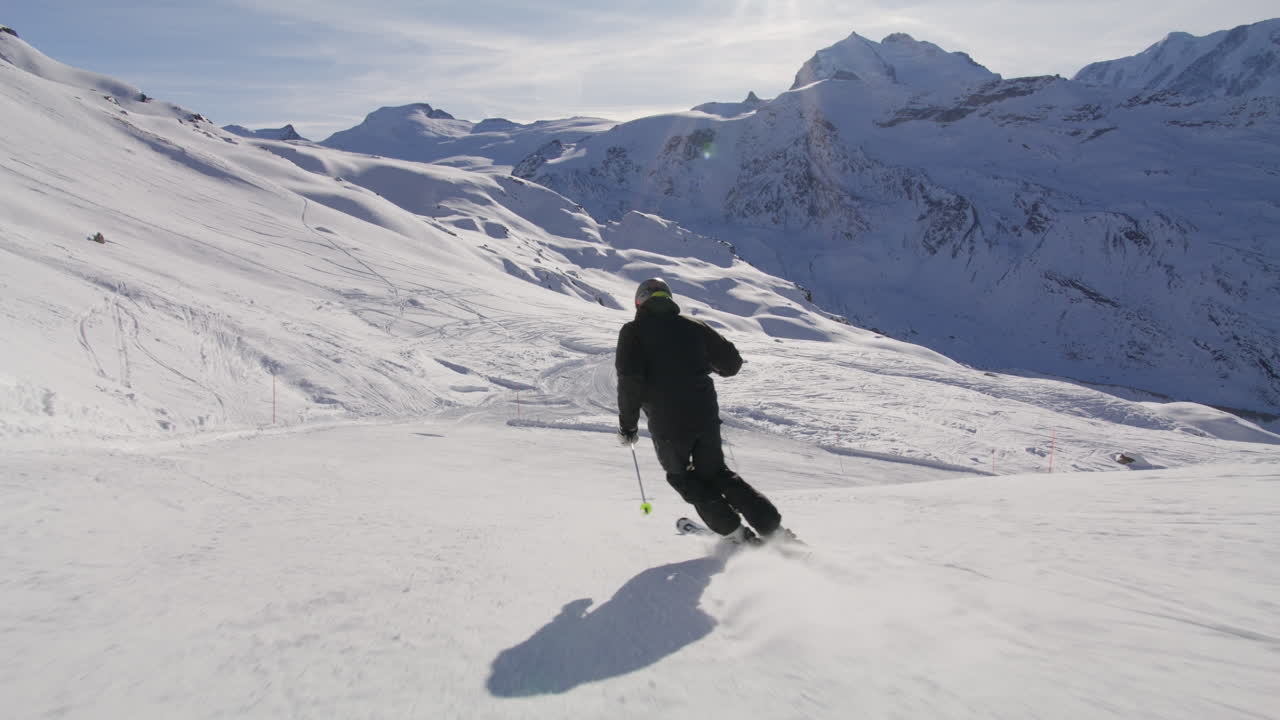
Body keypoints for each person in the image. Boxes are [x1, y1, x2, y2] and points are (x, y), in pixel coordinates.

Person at [615, 278, 786, 543]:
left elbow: (629, 381)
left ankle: (736, 534)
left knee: (682, 477)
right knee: (716, 472)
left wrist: (628, 425)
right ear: (669, 299)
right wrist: (702, 363)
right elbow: (731, 364)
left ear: (640, 303)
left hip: (668, 423)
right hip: (704, 415)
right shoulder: (695, 326)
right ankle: (774, 531)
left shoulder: (633, 332)